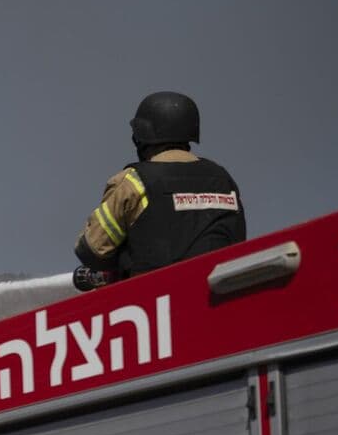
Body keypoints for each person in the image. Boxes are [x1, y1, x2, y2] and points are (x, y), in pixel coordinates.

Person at [73, 91, 246, 288]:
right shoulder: (223, 180)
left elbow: (92, 249)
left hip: (155, 303)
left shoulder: (134, 182)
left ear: (141, 138)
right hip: (219, 296)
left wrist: (123, 261)